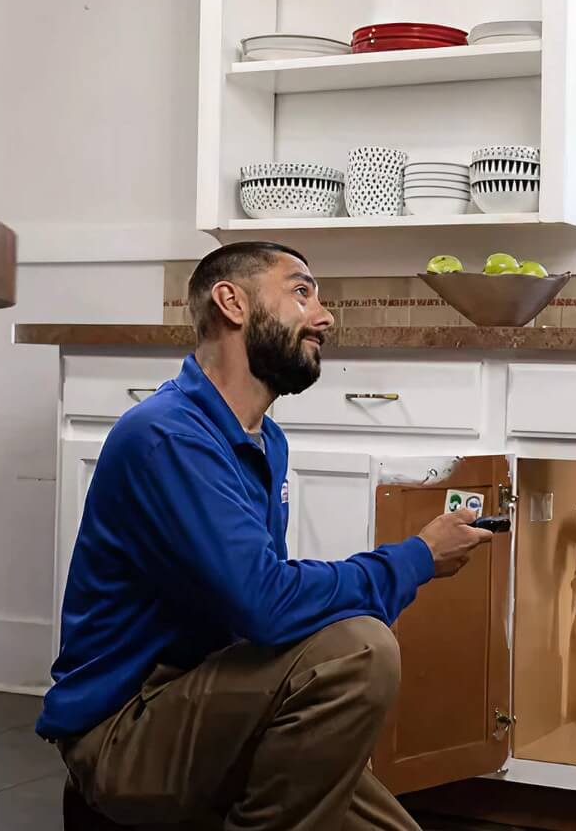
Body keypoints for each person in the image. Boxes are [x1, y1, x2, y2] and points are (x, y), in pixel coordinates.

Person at [37, 241, 492, 830]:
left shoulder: (264, 441)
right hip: (123, 730)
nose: (325, 317)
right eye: (302, 292)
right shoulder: (168, 436)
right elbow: (267, 604)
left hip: (208, 701)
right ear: (232, 303)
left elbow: (258, 617)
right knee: (359, 650)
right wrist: (418, 557)